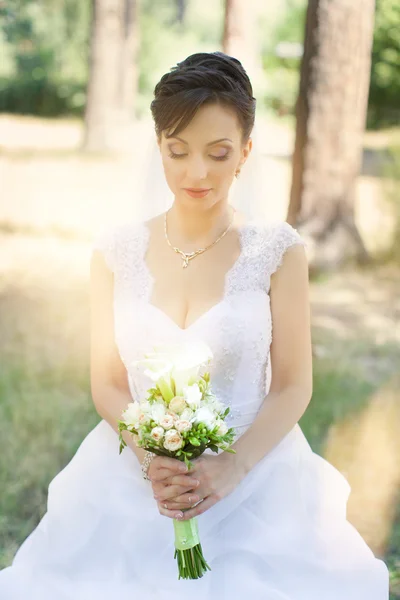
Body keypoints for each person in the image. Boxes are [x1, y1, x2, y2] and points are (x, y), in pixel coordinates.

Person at [0, 51, 389, 599]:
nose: (196, 173)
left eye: (218, 152)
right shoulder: (115, 252)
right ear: (158, 146)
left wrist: (232, 466)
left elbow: (294, 385)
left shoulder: (278, 252)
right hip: (134, 478)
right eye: (177, 152)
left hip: (257, 477)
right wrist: (151, 458)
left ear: (246, 152)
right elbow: (108, 384)